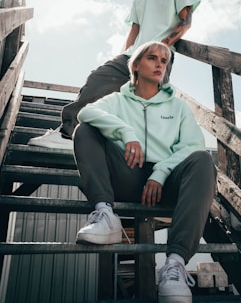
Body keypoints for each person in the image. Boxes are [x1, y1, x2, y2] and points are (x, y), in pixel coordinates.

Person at [73, 41, 216, 303]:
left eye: (165, 60)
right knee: (85, 129)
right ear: (136, 65)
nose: (160, 64)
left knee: (203, 159)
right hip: (127, 175)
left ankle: (174, 266)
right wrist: (126, 133)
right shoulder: (117, 100)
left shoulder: (179, 107)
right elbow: (86, 111)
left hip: (167, 183)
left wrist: (160, 173)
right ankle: (105, 214)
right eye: (153, 58)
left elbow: (192, 145)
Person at [28, 0, 201, 150]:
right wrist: (122, 57)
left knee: (141, 108)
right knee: (96, 80)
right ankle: (68, 134)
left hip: (157, 58)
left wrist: (158, 49)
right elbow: (134, 32)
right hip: (131, 57)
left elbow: (185, 22)